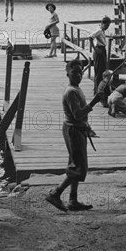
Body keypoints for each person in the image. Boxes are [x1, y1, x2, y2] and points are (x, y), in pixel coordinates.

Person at [45, 59, 102, 212]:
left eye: (80, 72)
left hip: (79, 129)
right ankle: (55, 193)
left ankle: (73, 200)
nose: (78, 75)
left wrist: (87, 127)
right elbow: (77, 114)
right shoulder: (70, 91)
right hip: (73, 130)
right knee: (78, 167)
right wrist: (95, 102)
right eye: (74, 72)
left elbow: (80, 113)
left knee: (75, 164)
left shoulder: (77, 88)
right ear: (67, 74)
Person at [89, 16, 111, 94]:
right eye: (106, 26)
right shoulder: (99, 30)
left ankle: (97, 89)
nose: (107, 27)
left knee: (101, 70)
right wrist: (95, 49)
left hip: (102, 49)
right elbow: (90, 37)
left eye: (108, 26)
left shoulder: (102, 30)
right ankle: (97, 91)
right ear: (102, 24)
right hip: (99, 50)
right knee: (99, 72)